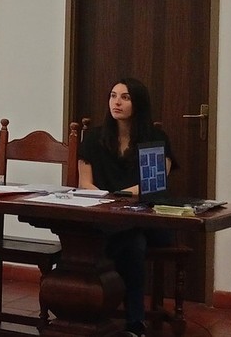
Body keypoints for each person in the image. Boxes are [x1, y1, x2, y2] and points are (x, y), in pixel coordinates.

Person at [77, 77, 177, 337]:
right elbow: (84, 183)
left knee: (125, 237)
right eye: (113, 96)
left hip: (147, 219)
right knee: (133, 244)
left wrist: (117, 198)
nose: (117, 102)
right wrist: (110, 203)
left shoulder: (156, 138)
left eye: (125, 97)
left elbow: (153, 185)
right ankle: (135, 322)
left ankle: (88, 305)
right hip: (109, 218)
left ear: (138, 103)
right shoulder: (94, 138)